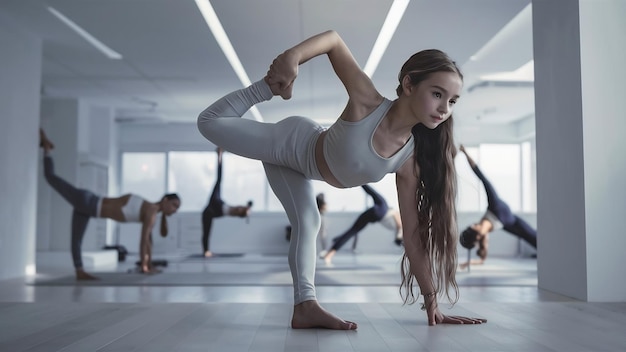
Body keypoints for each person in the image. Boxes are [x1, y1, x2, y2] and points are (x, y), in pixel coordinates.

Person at [197, 30, 486, 329]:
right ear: (409, 84)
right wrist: (291, 58)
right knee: (208, 124)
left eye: (452, 100)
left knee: (309, 222)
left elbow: (412, 235)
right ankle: (266, 89)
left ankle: (305, 308)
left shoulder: (409, 160)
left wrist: (432, 300)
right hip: (291, 143)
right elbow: (334, 41)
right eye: (437, 94)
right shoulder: (368, 102)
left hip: (303, 169)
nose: (444, 108)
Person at [39, 129, 181, 280]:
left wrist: (149, 264)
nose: (175, 210)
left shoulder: (150, 210)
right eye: (174, 205)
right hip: (88, 203)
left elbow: (149, 242)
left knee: (76, 239)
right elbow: (143, 240)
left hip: (89, 206)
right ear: (165, 200)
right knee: (50, 178)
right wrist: (144, 266)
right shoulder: (151, 210)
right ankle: (47, 149)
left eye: (177, 208)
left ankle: (79, 271)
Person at [458, 144, 537, 270]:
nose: (472, 224)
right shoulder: (482, 236)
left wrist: (465, 152)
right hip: (510, 224)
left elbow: (481, 176)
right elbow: (482, 260)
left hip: (512, 221)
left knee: (536, 238)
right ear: (474, 230)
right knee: (533, 239)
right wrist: (469, 263)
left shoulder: (493, 204)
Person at [322, 184, 402, 265]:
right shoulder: (400, 225)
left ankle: (360, 181)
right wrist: (398, 237)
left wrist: (399, 237)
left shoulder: (400, 223)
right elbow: (397, 221)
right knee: (353, 230)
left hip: (381, 211)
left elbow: (398, 222)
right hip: (378, 215)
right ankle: (331, 252)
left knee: (353, 230)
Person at [202, 147, 253, 257]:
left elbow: (243, 212)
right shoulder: (237, 209)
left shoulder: (238, 212)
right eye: (242, 208)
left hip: (214, 209)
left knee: (207, 231)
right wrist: (219, 156)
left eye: (241, 210)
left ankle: (206, 250)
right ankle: (219, 155)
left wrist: (247, 210)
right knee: (219, 180)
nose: (240, 208)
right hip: (215, 205)